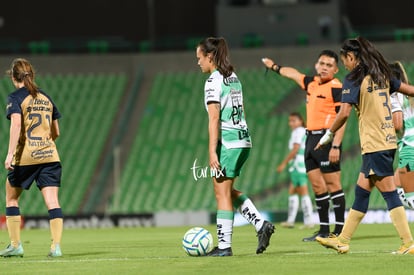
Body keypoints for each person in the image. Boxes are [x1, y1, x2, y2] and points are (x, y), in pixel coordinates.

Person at [315, 36, 414, 254]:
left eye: (345, 61)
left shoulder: (354, 78)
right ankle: (342, 240)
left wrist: (328, 136)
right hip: (386, 141)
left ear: (351, 57)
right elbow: (410, 90)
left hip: (374, 143)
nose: (345, 65)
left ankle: (408, 243)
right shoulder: (383, 74)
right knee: (361, 192)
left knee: (389, 194)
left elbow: (344, 113)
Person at [196, 37, 275, 256]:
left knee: (221, 193)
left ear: (209, 56)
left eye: (199, 58)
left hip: (229, 142)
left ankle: (224, 247)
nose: (198, 62)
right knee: (227, 191)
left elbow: (214, 119)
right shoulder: (232, 76)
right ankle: (261, 225)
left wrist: (212, 151)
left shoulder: (213, 81)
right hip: (243, 139)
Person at [262, 50, 346, 241]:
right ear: (317, 65)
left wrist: (335, 146)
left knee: (334, 185)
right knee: (317, 187)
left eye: (329, 65)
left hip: (327, 139)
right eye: (321, 63)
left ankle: (340, 231)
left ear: (335, 69)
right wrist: (275, 67)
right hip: (310, 140)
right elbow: (293, 74)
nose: (324, 67)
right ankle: (324, 230)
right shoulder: (311, 83)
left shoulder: (336, 87)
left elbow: (343, 117)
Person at [0, 58, 63, 258]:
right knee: (52, 201)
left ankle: (16, 245)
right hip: (50, 156)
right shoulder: (46, 97)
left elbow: (16, 125)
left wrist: (10, 154)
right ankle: (56, 247)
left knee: (11, 196)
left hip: (26, 156)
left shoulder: (15, 97)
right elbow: (56, 132)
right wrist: (44, 145)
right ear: (31, 75)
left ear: (13, 77)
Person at [277, 112, 314, 229]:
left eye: (293, 120)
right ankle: (290, 220)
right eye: (290, 121)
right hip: (297, 165)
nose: (291, 123)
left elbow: (295, 149)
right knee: (292, 191)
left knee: (303, 192)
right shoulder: (302, 131)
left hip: (298, 164)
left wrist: (283, 163)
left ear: (300, 121)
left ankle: (309, 221)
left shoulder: (298, 131)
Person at [390, 61, 414, 209]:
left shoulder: (393, 96)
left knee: (410, 199)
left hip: (408, 147)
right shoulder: (408, 95)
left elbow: (398, 125)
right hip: (410, 144)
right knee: (395, 187)